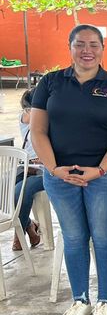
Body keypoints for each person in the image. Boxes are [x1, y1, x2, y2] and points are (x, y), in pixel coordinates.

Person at [30, 24, 107, 315]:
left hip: (105, 176)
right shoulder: (50, 83)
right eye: (79, 44)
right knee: (74, 238)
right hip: (60, 175)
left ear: (102, 49)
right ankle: (79, 300)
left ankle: (104, 302)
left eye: (93, 44)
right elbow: (38, 130)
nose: (86, 50)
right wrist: (53, 168)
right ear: (70, 47)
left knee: (103, 238)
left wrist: (100, 169)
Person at [12, 88, 43, 251]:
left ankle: (19, 236)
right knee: (5, 187)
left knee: (21, 192)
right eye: (28, 110)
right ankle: (30, 226)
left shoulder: (50, 119)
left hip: (46, 168)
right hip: (26, 165)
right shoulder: (24, 117)